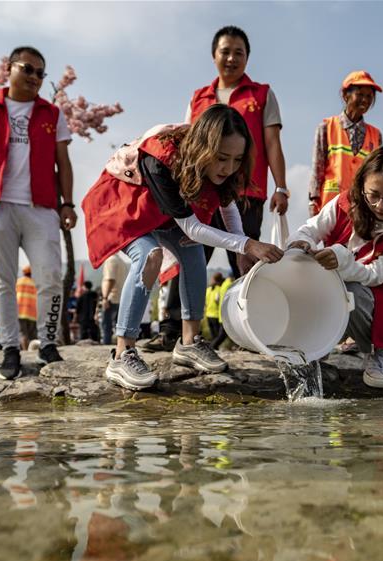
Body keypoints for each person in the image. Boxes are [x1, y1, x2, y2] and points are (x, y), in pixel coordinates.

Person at [82, 104, 284, 390]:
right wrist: (249, 244)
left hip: (164, 216)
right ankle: (121, 352)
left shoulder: (223, 169)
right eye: (222, 158)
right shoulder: (161, 158)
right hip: (124, 207)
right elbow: (192, 226)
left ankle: (189, 342)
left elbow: (227, 208)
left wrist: (241, 250)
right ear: (203, 148)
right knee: (149, 255)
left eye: (237, 160)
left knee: (192, 250)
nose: (228, 168)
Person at [0, 45, 77, 380]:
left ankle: (47, 343)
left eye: (41, 73)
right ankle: (10, 349)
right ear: (8, 68)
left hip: (41, 207)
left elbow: (63, 162)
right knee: (2, 280)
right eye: (28, 69)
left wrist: (67, 202)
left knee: (50, 276)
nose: (35, 77)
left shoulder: (52, 114)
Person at [287, 144, 383, 389]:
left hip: (381, 304)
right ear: (362, 187)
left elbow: (374, 274)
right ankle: (313, 351)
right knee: (303, 271)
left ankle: (373, 351)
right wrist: (301, 242)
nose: (379, 205)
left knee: (353, 291)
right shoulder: (346, 202)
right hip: (330, 289)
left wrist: (340, 258)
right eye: (373, 195)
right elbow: (312, 228)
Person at [188, 25, 289, 277]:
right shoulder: (198, 98)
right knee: (192, 255)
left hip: (247, 191)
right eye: (225, 52)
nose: (231, 58)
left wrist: (281, 187)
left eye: (239, 53)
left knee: (246, 261)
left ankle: (250, 313)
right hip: (202, 192)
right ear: (214, 56)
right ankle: (177, 316)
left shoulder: (262, 94)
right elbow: (188, 146)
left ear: (247, 57)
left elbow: (272, 143)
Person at [309, 71, 383, 215]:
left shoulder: (376, 135)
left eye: (369, 96)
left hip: (362, 209)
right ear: (346, 95)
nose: (365, 100)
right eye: (360, 94)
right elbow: (317, 169)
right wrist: (313, 201)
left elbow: (377, 174)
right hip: (329, 207)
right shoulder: (326, 127)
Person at [100, 253, 128, 345]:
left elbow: (110, 279)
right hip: (121, 297)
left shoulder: (110, 260)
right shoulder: (122, 262)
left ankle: (106, 346)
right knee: (119, 327)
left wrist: (105, 297)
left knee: (106, 326)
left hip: (111, 297)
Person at [210, 274, 235, 349]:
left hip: (221, 314)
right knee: (222, 335)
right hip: (225, 314)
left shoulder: (223, 285)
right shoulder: (229, 284)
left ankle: (213, 346)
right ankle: (212, 346)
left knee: (223, 334)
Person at [16, 265, 37, 350]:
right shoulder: (35, 282)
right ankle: (33, 351)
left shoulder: (18, 282)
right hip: (33, 312)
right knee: (32, 334)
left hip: (20, 311)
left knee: (23, 333)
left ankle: (25, 351)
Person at [204, 272, 224, 342]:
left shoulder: (208, 289)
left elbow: (205, 302)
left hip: (208, 315)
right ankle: (213, 347)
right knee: (216, 335)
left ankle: (213, 347)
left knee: (214, 335)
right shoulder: (219, 289)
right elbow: (218, 301)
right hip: (215, 315)